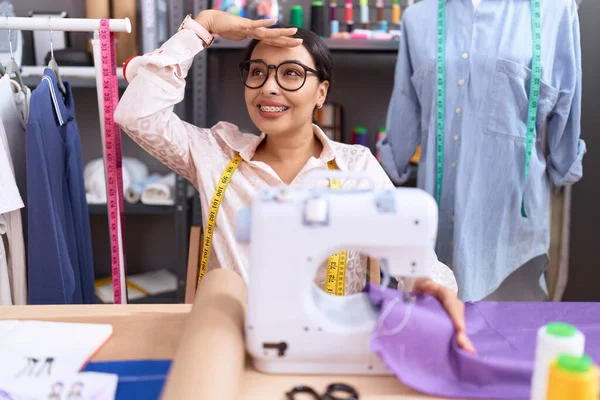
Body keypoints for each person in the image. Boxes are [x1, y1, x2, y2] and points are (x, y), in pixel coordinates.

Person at [114, 9, 475, 353]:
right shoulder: (215, 154)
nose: (269, 87)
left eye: (290, 74)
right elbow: (136, 114)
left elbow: (413, 259)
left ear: (321, 92)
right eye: (257, 72)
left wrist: (431, 288)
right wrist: (202, 26)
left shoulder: (356, 169)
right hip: (230, 343)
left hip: (327, 349)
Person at [378, 0, 584, 302]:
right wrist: (389, 164)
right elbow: (406, 102)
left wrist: (565, 161)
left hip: (511, 232)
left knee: (511, 339)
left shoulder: (554, 11)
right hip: (434, 227)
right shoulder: (418, 18)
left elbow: (567, 98)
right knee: (437, 338)